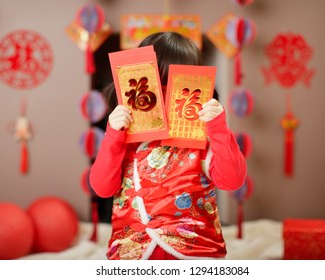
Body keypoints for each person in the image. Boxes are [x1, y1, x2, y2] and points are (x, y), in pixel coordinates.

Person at [90, 32, 247, 260]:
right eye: (157, 85)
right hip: (132, 253)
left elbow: (232, 181)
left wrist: (219, 128)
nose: (164, 97)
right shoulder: (124, 138)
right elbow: (102, 187)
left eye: (176, 85)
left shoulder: (202, 139)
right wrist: (113, 134)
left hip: (193, 252)